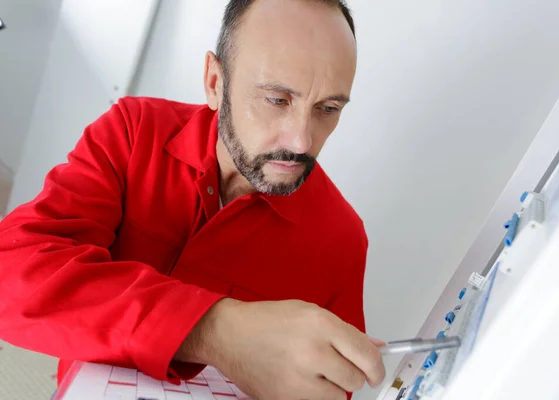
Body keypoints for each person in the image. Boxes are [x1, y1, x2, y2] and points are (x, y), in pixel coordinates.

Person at [0, 0, 386, 398]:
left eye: (328, 108)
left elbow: (331, 387)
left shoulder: (342, 240)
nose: (302, 141)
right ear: (215, 82)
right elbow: (11, 274)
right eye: (277, 100)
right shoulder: (134, 134)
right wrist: (215, 329)